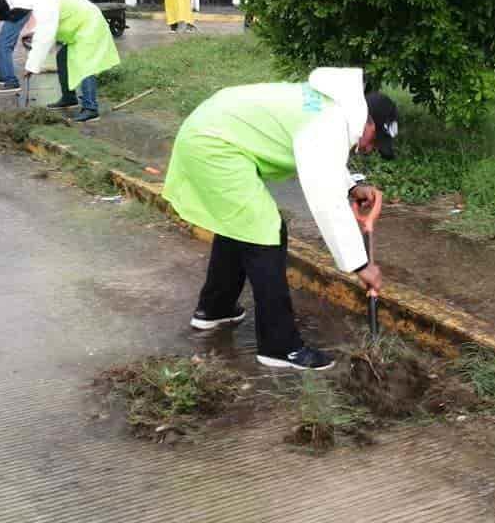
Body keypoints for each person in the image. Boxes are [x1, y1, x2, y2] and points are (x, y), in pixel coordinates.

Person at [162, 68, 400, 371]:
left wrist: (351, 186)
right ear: (367, 122)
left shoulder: (333, 110)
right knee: (265, 231)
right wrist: (360, 264)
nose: (370, 149)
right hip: (214, 144)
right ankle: (279, 346)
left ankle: (215, 309)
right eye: (374, 141)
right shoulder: (331, 123)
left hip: (210, 132)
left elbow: (321, 162)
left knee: (242, 224)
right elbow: (325, 199)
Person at [5, 0, 120, 123]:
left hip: (90, 25)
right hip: (76, 27)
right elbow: (43, 30)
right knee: (62, 58)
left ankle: (91, 109)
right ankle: (69, 97)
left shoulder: (44, 1)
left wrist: (31, 66)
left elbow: (45, 37)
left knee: (85, 66)